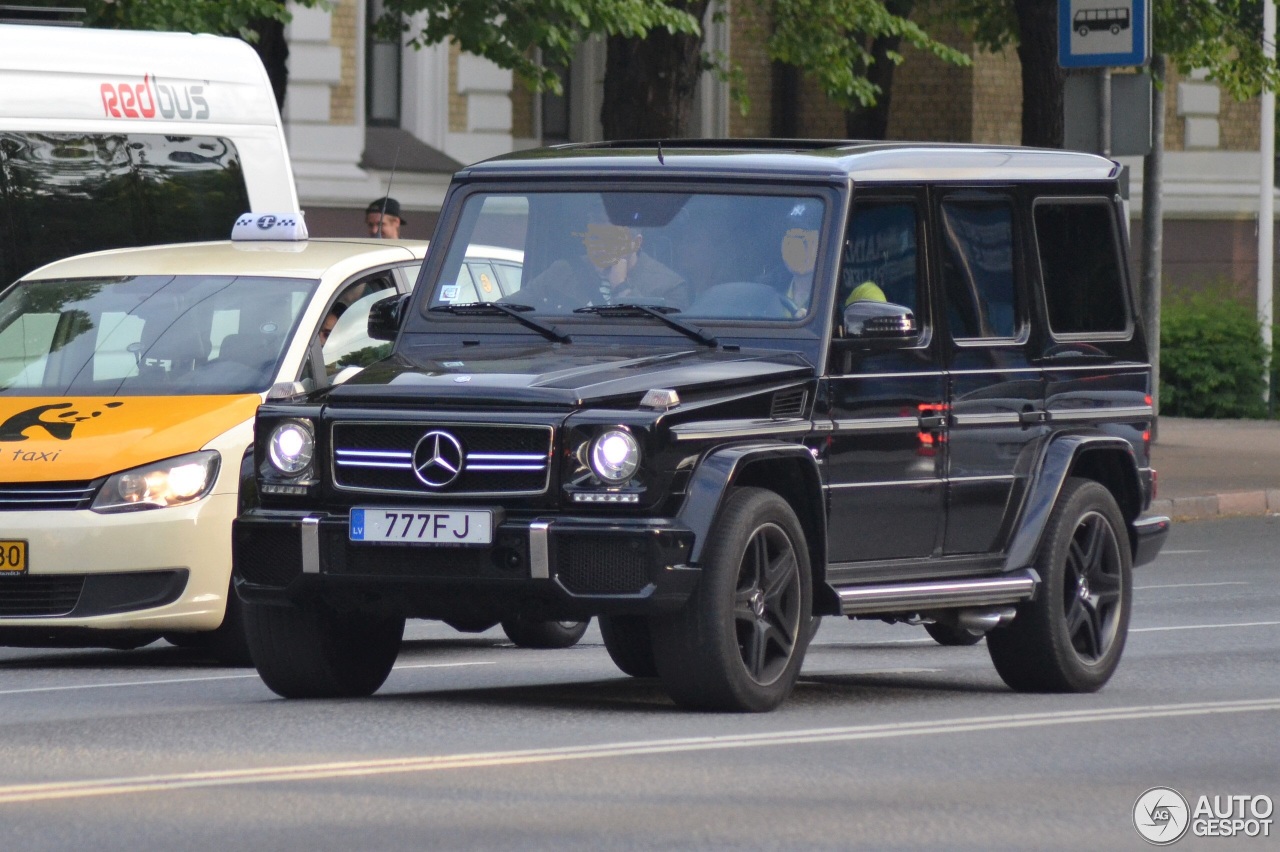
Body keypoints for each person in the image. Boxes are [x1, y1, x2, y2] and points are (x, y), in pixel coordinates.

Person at [509, 219, 688, 312]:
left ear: (636, 243)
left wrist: (622, 288)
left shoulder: (669, 286)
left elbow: (664, 337)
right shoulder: (562, 272)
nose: (601, 246)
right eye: (595, 238)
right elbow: (509, 307)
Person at [766, 200, 823, 318]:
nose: (793, 245)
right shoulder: (766, 289)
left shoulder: (837, 295)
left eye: (801, 237)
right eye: (789, 236)